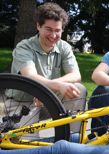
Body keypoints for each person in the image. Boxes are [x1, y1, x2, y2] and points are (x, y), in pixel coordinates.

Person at [8, 2, 87, 133]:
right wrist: (47, 89)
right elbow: (30, 76)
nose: (53, 35)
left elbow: (76, 75)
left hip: (48, 101)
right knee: (26, 147)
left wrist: (46, 90)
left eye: (57, 30)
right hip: (23, 103)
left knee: (78, 89)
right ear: (38, 26)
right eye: (49, 29)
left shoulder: (64, 47)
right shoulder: (24, 47)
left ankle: (72, 139)